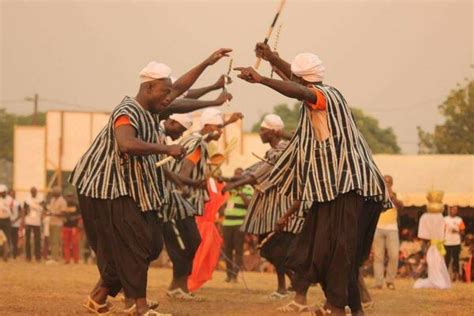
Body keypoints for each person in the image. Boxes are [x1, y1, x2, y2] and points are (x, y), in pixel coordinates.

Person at [70, 48, 231, 316]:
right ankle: (138, 305)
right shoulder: (127, 111)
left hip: (126, 188)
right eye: (164, 92)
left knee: (151, 245)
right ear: (149, 87)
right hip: (104, 187)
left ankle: (99, 297)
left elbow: (181, 88)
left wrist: (207, 62)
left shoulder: (154, 109)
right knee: (133, 245)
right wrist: (165, 149)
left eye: (170, 93)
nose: (169, 97)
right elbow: (125, 143)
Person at [234, 44, 390, 315]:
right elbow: (298, 86)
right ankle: (354, 309)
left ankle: (336, 307)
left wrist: (261, 79)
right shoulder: (319, 93)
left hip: (349, 187)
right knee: (332, 251)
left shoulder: (324, 97)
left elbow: (302, 90)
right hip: (332, 190)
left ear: (300, 80)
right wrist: (271, 58)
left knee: (339, 252)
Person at [163, 107, 242, 300]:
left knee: (190, 243)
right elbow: (184, 172)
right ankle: (178, 286)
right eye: (218, 127)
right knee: (189, 243)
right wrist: (196, 183)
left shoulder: (192, 139)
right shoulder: (197, 145)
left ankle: (179, 287)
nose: (220, 132)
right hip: (180, 202)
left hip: (181, 201)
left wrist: (227, 122)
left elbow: (206, 134)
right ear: (208, 126)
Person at [223, 114, 304, 299]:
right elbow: (251, 171)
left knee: (277, 248)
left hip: (283, 207)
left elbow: (258, 174)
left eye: (263, 130)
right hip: (271, 208)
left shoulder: (282, 150)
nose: (260, 133)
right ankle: (290, 285)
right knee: (271, 249)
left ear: (273, 132)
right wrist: (226, 178)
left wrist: (232, 184)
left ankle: (285, 288)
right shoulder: (272, 151)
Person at [414, 191, 451, 289]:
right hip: (437, 245)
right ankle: (437, 280)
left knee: (434, 263)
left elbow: (423, 235)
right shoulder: (441, 217)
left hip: (433, 244)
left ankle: (436, 280)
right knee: (436, 263)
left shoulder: (425, 217)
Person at [222, 168, 253, 283]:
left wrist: (240, 191)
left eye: (239, 175)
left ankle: (235, 275)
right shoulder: (229, 188)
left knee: (238, 250)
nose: (237, 177)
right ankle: (228, 275)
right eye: (235, 175)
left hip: (239, 224)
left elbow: (249, 204)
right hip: (227, 223)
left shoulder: (248, 188)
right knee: (227, 250)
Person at [372, 175, 404, 290]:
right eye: (385, 182)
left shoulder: (395, 195)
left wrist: (393, 198)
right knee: (378, 257)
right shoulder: (377, 194)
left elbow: (402, 207)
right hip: (378, 227)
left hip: (392, 228)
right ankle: (378, 282)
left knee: (394, 255)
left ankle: (390, 280)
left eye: (389, 182)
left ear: (392, 184)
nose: (387, 184)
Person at [45, 186, 67, 262]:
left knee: (56, 241)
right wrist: (48, 212)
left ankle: (55, 258)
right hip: (51, 222)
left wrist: (53, 213)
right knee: (51, 240)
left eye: (54, 192)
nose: (53, 193)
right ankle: (53, 256)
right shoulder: (52, 200)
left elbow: (63, 213)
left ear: (58, 193)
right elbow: (50, 210)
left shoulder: (62, 201)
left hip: (58, 223)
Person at [444, 205, 465, 281]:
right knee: (447, 259)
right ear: (450, 210)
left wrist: (457, 231)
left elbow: (463, 232)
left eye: (456, 210)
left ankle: (455, 276)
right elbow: (442, 230)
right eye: (453, 209)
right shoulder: (445, 219)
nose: (455, 211)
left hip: (456, 242)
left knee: (456, 259)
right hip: (447, 242)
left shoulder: (459, 220)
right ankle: (445, 276)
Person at [24, 187, 44, 262]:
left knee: (37, 240)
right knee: (28, 240)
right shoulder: (27, 199)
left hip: (37, 222)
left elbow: (43, 209)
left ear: (36, 192)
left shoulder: (40, 199)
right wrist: (24, 221)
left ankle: (38, 257)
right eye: (32, 192)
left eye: (34, 192)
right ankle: (28, 257)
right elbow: (24, 209)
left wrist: (41, 218)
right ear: (30, 192)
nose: (33, 193)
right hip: (28, 221)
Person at [62, 194, 82, 264]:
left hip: (74, 227)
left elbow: (80, 214)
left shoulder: (76, 205)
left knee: (75, 244)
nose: (69, 198)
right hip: (65, 226)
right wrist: (63, 218)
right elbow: (61, 213)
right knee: (66, 243)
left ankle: (76, 259)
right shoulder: (64, 205)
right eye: (68, 196)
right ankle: (67, 259)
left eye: (71, 196)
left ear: (73, 197)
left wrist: (75, 217)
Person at [0, 184, 12, 261]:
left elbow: (8, 208)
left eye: (2, 192)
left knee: (7, 237)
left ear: (5, 192)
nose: (1, 194)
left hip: (6, 220)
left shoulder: (9, 199)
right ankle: (2, 253)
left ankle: (6, 254)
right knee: (1, 237)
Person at [8, 189, 21, 259]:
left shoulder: (17, 203)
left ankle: (14, 255)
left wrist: (15, 220)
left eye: (13, 194)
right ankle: (7, 253)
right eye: (10, 194)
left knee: (14, 240)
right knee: (7, 239)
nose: (12, 195)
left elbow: (20, 213)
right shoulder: (6, 202)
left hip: (15, 224)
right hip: (7, 223)